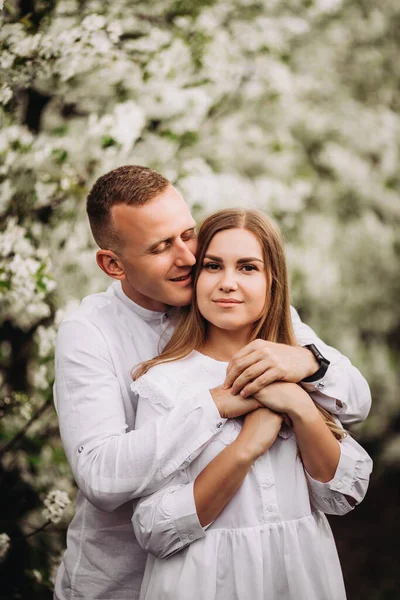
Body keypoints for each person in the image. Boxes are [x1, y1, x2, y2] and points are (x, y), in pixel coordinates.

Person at [53, 165, 371, 600]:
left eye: (188, 234)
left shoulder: (232, 301)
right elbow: (101, 477)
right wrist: (219, 404)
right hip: (126, 580)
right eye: (162, 247)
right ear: (113, 264)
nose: (186, 257)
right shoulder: (89, 333)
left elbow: (353, 399)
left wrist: (304, 362)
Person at [131, 208, 372, 600]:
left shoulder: (293, 366)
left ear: (272, 282)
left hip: (300, 575)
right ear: (195, 277)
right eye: (213, 266)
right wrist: (246, 448)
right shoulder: (166, 383)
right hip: (205, 581)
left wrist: (299, 405)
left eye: (247, 268)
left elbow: (342, 493)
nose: (228, 283)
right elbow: (154, 529)